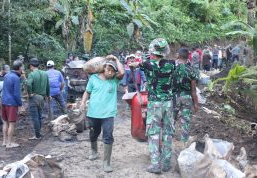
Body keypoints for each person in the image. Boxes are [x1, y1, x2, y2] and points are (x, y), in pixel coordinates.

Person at [130, 38, 176, 174]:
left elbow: (134, 65)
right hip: (168, 103)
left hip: (155, 103)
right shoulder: (172, 64)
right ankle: (166, 163)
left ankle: (156, 164)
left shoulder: (147, 64)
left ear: (153, 50)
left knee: (153, 132)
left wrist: (133, 64)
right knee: (168, 132)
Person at [80, 55, 124, 173]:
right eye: (108, 69)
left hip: (108, 114)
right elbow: (87, 92)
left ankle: (106, 163)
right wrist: (83, 102)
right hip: (93, 113)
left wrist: (116, 60)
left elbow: (122, 73)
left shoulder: (114, 80)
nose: (110, 72)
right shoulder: (94, 78)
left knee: (108, 136)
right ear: (104, 68)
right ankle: (94, 151)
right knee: (94, 133)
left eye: (113, 71)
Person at [173, 48, 199, 145]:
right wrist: (196, 103)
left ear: (178, 56)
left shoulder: (172, 68)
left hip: (174, 97)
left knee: (172, 118)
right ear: (188, 57)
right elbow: (193, 90)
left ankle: (168, 137)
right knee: (185, 119)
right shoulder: (191, 70)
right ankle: (184, 140)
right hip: (187, 98)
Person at [1, 60, 23, 148]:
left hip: (4, 101)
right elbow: (17, 94)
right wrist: (20, 105)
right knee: (11, 123)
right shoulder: (16, 78)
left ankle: (4, 141)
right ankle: (9, 144)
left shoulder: (6, 75)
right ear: (20, 68)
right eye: (22, 67)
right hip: (12, 103)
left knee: (5, 122)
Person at [27, 58, 50, 140]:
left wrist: (30, 94)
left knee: (35, 117)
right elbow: (48, 86)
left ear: (31, 66)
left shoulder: (32, 74)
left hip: (34, 97)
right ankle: (39, 133)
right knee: (40, 116)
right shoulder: (45, 73)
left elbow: (29, 84)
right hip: (42, 97)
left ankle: (37, 135)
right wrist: (48, 95)